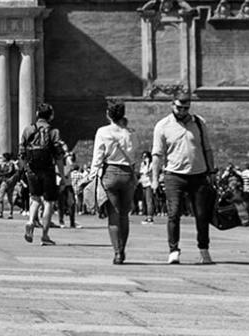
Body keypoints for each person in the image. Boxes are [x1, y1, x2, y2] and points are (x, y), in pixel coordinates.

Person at [151, 92, 217, 265]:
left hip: (199, 175)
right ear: (172, 105)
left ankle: (204, 250)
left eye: (185, 108)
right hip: (174, 176)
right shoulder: (162, 125)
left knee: (202, 215)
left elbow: (208, 149)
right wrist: (154, 179)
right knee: (173, 214)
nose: (182, 111)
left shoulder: (199, 123)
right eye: (179, 107)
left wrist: (212, 172)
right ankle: (173, 250)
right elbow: (157, 155)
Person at [91, 101, 139, 264]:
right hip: (127, 173)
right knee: (124, 216)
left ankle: (117, 253)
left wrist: (92, 177)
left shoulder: (103, 131)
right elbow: (134, 155)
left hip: (110, 173)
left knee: (114, 215)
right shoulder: (131, 133)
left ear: (108, 114)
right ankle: (123, 249)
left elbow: (98, 156)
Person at [19, 103, 65, 245]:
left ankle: (31, 221)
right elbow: (58, 155)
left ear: (37, 113)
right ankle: (45, 236)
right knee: (49, 202)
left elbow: (21, 153)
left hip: (32, 169)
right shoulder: (53, 132)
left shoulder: (28, 130)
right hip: (48, 169)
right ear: (50, 115)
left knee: (35, 199)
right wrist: (62, 175)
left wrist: (25, 169)